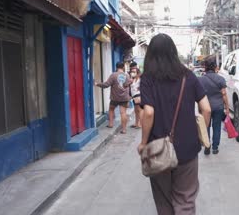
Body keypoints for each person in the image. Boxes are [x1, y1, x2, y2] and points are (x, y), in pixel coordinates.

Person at [137, 33, 211, 215]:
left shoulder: (147, 79)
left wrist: (143, 142)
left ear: (151, 55)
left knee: (164, 201)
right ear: (173, 52)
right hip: (187, 148)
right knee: (185, 200)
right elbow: (206, 109)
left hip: (158, 149)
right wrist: (201, 134)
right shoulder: (188, 76)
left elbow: (148, 112)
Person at [199, 60, 230, 155]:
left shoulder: (200, 79)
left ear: (205, 67)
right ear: (215, 67)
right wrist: (227, 108)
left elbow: (198, 95)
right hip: (218, 107)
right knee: (217, 127)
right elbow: (224, 94)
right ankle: (215, 147)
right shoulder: (221, 79)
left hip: (205, 108)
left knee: (206, 126)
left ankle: (207, 146)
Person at [95, 62, 132, 134]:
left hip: (115, 98)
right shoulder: (127, 76)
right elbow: (127, 85)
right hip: (124, 97)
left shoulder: (113, 75)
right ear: (123, 67)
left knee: (111, 109)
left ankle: (111, 124)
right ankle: (124, 129)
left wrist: (97, 84)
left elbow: (106, 84)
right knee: (123, 113)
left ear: (116, 67)